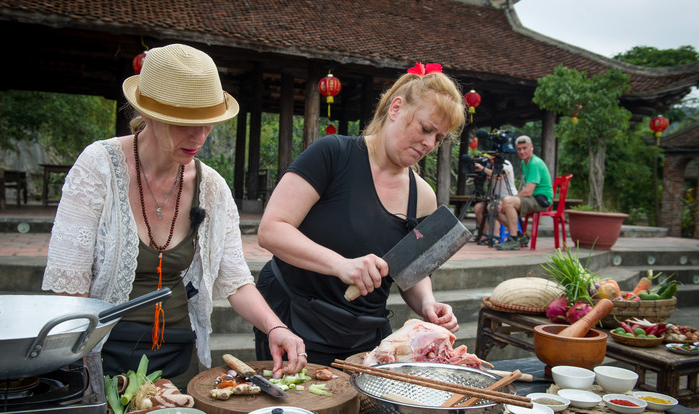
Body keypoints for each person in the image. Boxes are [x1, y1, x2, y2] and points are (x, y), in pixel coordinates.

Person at [42, 43, 306, 381]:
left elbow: (235, 280)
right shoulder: (99, 168)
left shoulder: (211, 187)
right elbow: (70, 286)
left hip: (180, 349)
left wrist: (276, 327)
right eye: (185, 123)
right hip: (103, 348)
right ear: (149, 114)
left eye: (209, 123)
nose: (199, 137)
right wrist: (80, 362)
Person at [254, 62, 464, 366]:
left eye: (439, 137)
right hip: (295, 321)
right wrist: (341, 265)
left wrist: (428, 303)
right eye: (426, 129)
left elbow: (413, 272)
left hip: (366, 333)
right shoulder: (333, 154)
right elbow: (271, 229)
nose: (430, 143)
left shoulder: (423, 196)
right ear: (395, 108)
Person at [495, 135, 553, 251]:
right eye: (519, 149)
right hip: (531, 198)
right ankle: (519, 236)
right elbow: (523, 188)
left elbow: (528, 191)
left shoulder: (535, 163)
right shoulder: (524, 163)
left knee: (508, 201)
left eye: (524, 148)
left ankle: (513, 240)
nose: (522, 152)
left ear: (531, 147)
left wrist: (508, 199)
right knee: (493, 207)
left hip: (541, 199)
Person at [473, 155, 517, 246]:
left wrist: (483, 169)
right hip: (495, 197)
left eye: (492, 157)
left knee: (494, 206)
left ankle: (496, 236)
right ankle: (487, 233)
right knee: (478, 208)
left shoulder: (505, 163)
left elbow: (499, 176)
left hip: (509, 197)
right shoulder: (489, 166)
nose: (490, 159)